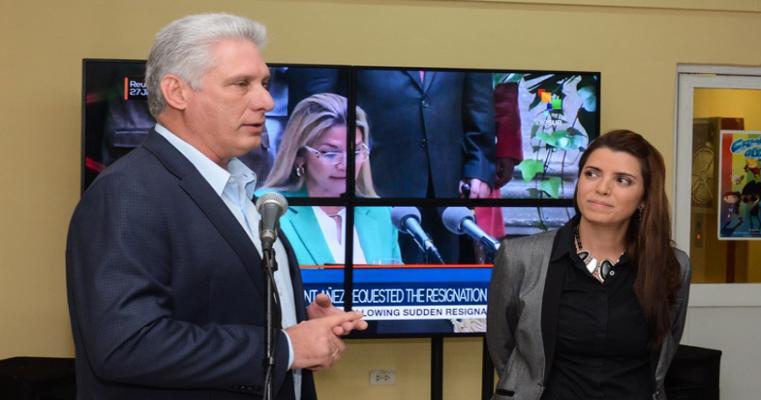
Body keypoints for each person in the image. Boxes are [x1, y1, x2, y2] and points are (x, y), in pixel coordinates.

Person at [66, 13, 366, 400]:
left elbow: (208, 301)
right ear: (177, 92)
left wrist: (295, 319)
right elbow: (126, 344)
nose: (266, 101)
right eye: (241, 84)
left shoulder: (240, 188)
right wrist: (286, 347)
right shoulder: (127, 193)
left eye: (264, 83)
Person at [487, 130, 691, 400]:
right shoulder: (520, 257)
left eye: (622, 180)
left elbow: (667, 346)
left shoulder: (672, 265)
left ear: (644, 198)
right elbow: (505, 349)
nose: (602, 188)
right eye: (592, 173)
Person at [288, 69, 496, 264]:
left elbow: (477, 93)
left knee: (439, 286)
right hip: (368, 183)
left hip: (444, 187)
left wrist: (479, 163)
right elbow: (314, 108)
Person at [262, 93, 401, 266]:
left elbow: (397, 289)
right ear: (299, 155)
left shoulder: (380, 213)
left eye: (355, 151)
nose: (345, 165)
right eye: (330, 153)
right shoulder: (269, 210)